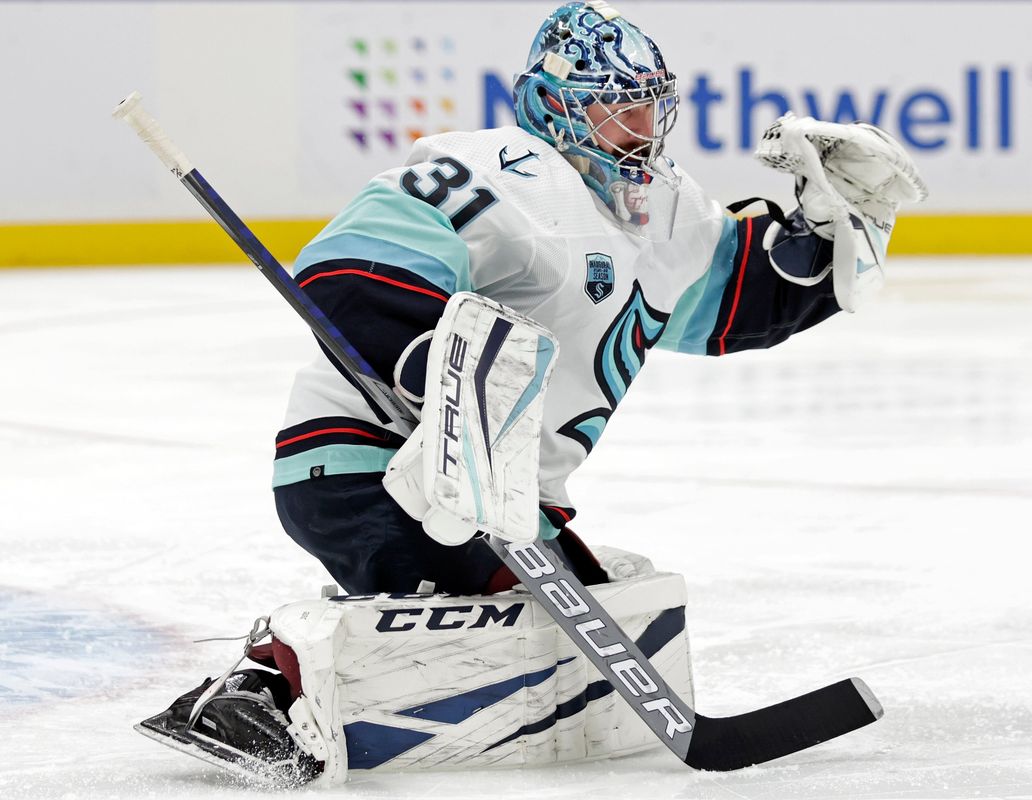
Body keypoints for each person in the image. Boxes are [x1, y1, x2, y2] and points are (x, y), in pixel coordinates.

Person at [137, 0, 926, 786]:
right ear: (558, 108)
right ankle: (258, 687)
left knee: (589, 615)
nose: (642, 129)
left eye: (650, 106)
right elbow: (347, 274)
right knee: (498, 608)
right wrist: (449, 393)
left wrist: (829, 222)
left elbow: (741, 307)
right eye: (617, 110)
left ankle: (351, 693)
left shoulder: (667, 206)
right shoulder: (492, 172)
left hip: (503, 493)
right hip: (371, 460)